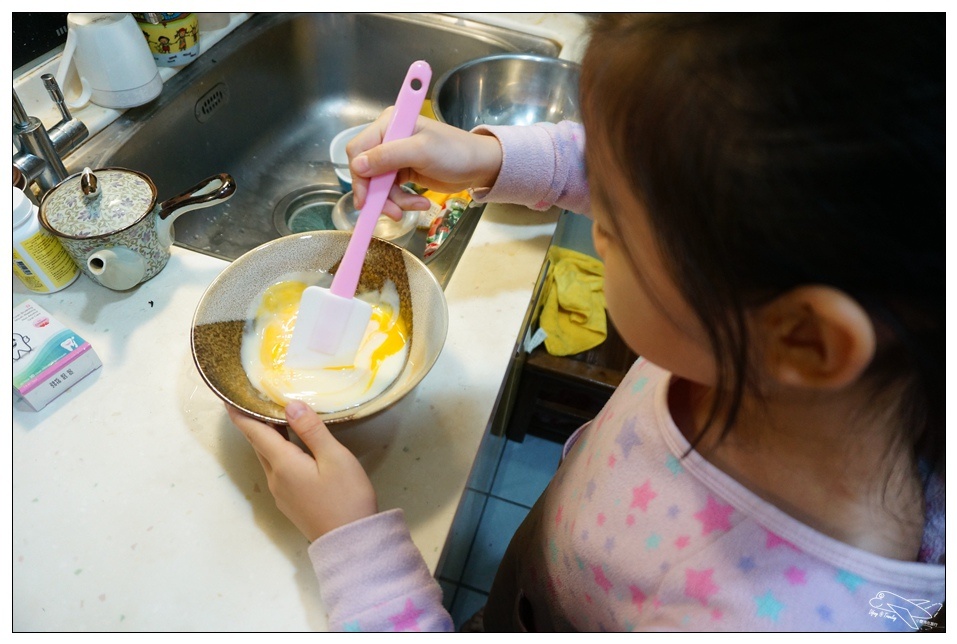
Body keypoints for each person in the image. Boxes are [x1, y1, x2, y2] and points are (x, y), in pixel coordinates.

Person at [226, 13, 945, 632]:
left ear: (805, 339)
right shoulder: (779, 347)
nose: (595, 222)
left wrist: (357, 554)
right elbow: (644, 176)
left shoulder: (766, 622)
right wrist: (487, 157)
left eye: (618, 232)